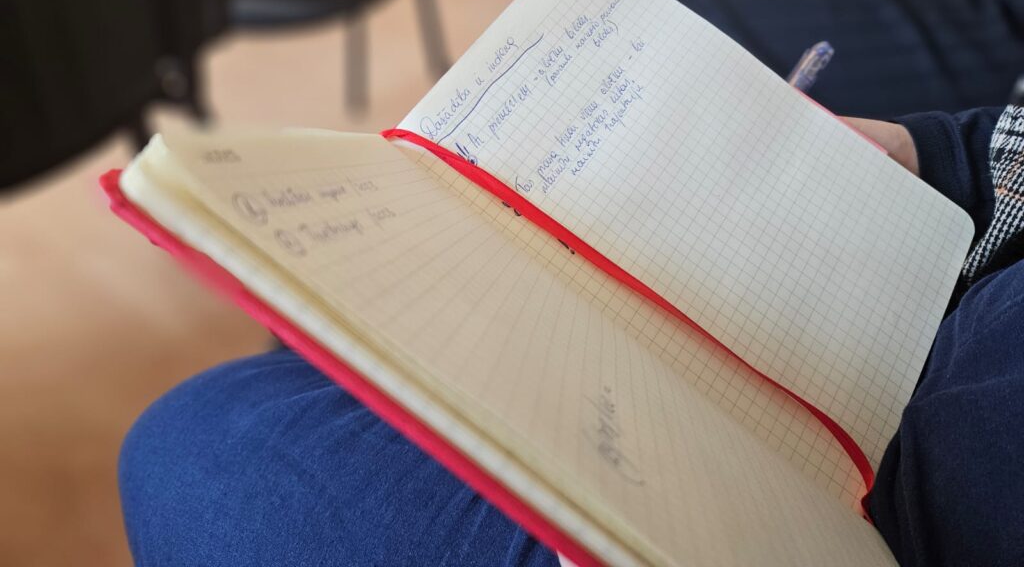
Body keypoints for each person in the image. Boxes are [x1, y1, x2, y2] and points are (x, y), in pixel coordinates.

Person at [119, 106, 1024, 567]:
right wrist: (942, 152)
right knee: (319, 330)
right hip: (938, 318)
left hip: (891, 518)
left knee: (193, 445)